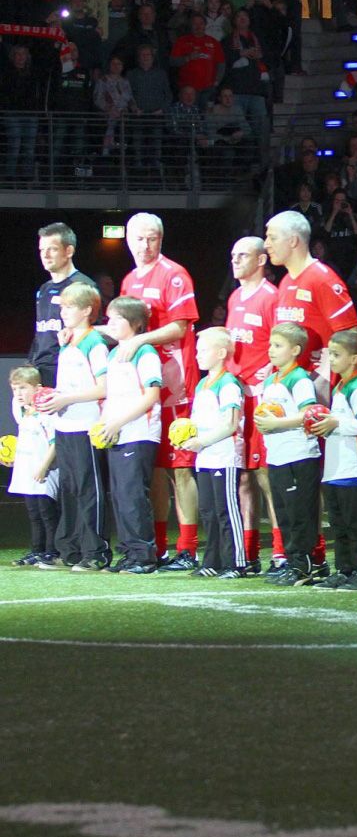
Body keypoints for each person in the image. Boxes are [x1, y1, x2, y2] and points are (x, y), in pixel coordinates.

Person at [118, 213, 200, 572]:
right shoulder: (128, 280)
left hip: (176, 382)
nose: (145, 245)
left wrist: (140, 339)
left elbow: (181, 327)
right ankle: (159, 546)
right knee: (154, 469)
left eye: (152, 238)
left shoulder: (174, 274)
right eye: (138, 238)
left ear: (161, 240)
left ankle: (188, 547)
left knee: (180, 468)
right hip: (143, 384)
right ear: (127, 239)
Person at [36, 283, 109, 572]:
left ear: (87, 310)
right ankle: (70, 550)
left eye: (69, 307)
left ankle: (96, 552)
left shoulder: (94, 344)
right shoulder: (67, 342)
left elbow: (103, 388)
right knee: (69, 489)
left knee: (88, 489)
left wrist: (66, 398)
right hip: (65, 424)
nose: (62, 311)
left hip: (85, 425)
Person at [225, 238, 283, 574]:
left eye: (242, 255)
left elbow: (283, 343)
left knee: (265, 475)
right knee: (243, 476)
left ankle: (279, 551)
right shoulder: (235, 297)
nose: (235, 261)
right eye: (233, 255)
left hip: (261, 396)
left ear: (261, 260)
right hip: (237, 395)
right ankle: (247, 552)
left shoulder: (271, 297)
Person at [94, 296, 163, 575]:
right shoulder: (113, 354)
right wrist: (105, 423)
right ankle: (128, 553)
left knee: (134, 495)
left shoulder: (145, 352)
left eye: (116, 319)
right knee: (121, 496)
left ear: (135, 324)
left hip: (139, 432)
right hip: (116, 433)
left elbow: (151, 395)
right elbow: (112, 396)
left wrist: (118, 422)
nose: (110, 324)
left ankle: (144, 556)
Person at [253, 322, 323, 586]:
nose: (271, 350)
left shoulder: (300, 378)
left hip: (299, 454)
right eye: (270, 344)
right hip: (278, 455)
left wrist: (276, 424)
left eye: (278, 345)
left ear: (295, 350)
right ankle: (292, 562)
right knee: (283, 511)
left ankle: (304, 564)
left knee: (299, 513)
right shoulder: (271, 380)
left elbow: (309, 413)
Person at [309, 329, 357, 591]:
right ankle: (344, 569)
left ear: (355, 359)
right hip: (335, 468)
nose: (332, 359)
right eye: (330, 354)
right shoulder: (340, 387)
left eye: (337, 354)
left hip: (355, 468)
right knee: (338, 524)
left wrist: (336, 422)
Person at [178, 327, 246, 578]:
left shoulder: (228, 383)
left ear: (220, 353)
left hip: (224, 456)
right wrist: (187, 437)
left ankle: (235, 563)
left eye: (203, 350)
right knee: (208, 510)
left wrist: (201, 441)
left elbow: (230, 424)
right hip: (205, 456)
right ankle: (213, 561)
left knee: (226, 510)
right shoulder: (202, 384)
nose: (197, 355)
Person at [265, 211, 357, 382]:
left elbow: (352, 335)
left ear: (293, 241)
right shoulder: (285, 281)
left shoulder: (323, 279)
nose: (266, 244)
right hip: (290, 383)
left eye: (272, 238)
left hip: (320, 387)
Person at [28, 222, 96, 387]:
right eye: (42, 250)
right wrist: (29, 367)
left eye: (52, 249)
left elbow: (95, 332)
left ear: (69, 251)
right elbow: (40, 334)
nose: (45, 255)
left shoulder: (83, 286)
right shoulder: (44, 289)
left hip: (68, 372)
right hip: (40, 372)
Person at [7, 365, 59, 568]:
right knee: (34, 513)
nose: (18, 394)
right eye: (14, 389)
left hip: (43, 472)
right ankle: (37, 551)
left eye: (23, 388)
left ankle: (51, 551)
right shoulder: (22, 412)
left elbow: (55, 443)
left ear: (37, 388)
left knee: (47, 512)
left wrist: (43, 466)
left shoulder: (47, 414)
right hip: (26, 471)